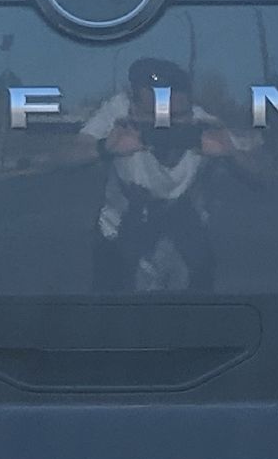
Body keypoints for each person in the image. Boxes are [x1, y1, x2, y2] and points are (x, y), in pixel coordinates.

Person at [73, 57, 243, 292]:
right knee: (108, 313)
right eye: (153, 116)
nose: (165, 128)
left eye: (176, 118)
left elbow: (261, 174)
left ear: (190, 113)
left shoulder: (203, 125)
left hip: (183, 234)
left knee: (195, 312)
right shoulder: (119, 115)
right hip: (116, 233)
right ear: (132, 108)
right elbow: (62, 156)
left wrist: (231, 153)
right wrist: (104, 147)